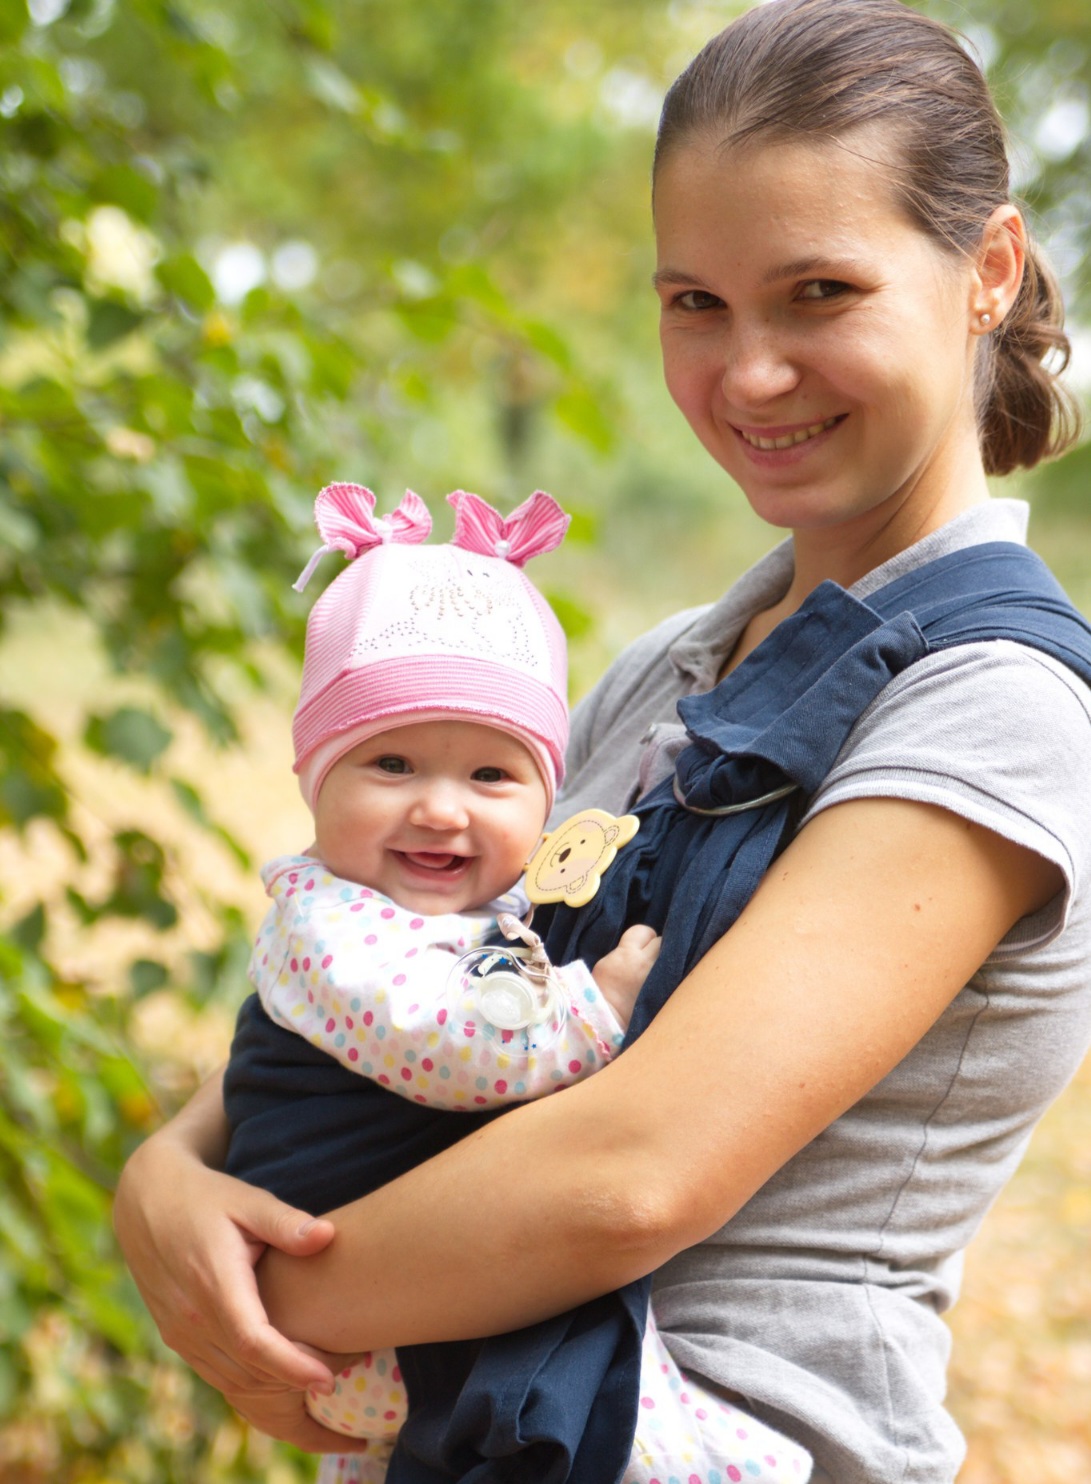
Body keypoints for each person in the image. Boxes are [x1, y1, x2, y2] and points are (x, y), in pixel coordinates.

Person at [112, 1, 1091, 1480]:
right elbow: (408, 966)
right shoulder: (661, 669)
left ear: (986, 272)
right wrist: (165, 1181)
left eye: (815, 291)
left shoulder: (996, 706)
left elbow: (631, 1178)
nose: (745, 372)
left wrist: (244, 1292)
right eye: (693, 302)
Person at [219, 479, 812, 1484]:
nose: (441, 810)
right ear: (312, 780)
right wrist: (598, 1000)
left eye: (490, 777)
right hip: (359, 1312)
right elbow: (442, 1042)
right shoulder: (326, 921)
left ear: (548, 791)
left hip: (387, 1290)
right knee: (585, 1363)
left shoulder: (463, 913)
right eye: (392, 763)